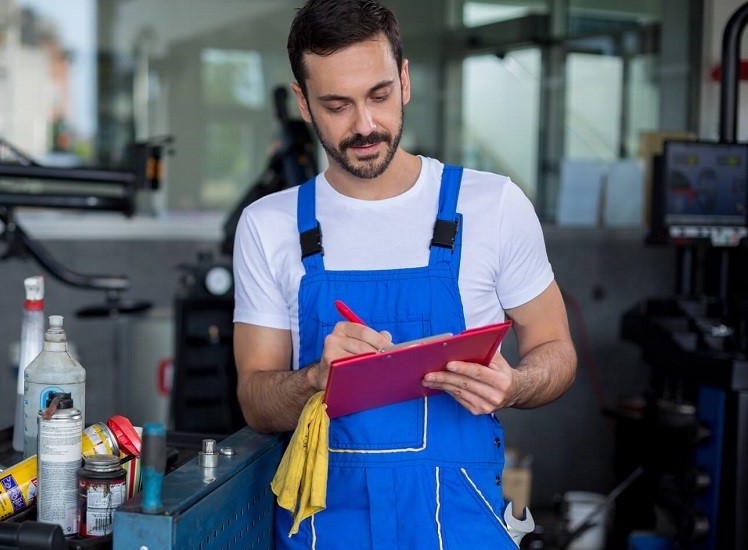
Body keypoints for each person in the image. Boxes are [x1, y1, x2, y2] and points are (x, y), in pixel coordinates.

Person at [231, 0, 578, 548]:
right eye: (337, 104)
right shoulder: (268, 226)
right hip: (324, 527)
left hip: (461, 523)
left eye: (379, 95)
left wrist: (515, 385)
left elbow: (556, 347)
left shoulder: (493, 205)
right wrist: (316, 379)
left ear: (405, 80)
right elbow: (255, 400)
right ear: (304, 103)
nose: (365, 125)